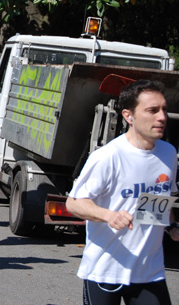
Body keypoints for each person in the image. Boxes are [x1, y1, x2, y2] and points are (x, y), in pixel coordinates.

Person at [66, 79, 179, 305]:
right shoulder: (108, 156)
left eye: (164, 110)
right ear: (129, 116)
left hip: (149, 271)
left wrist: (173, 226)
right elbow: (74, 203)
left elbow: (161, 200)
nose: (162, 117)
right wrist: (110, 216)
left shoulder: (168, 154)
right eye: (152, 110)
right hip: (106, 269)